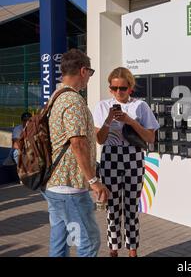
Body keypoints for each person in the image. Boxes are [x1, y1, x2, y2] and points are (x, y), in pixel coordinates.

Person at [42, 48, 109, 257]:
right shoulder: (73, 100)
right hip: (70, 188)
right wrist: (93, 181)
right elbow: (77, 143)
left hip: (54, 185)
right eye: (90, 73)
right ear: (83, 70)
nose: (90, 78)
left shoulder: (56, 95)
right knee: (88, 243)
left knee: (60, 242)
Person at [93, 67, 159, 257]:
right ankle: (113, 250)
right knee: (112, 207)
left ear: (130, 87)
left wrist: (131, 121)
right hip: (110, 157)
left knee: (131, 207)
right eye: (114, 88)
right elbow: (100, 140)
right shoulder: (103, 106)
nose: (118, 92)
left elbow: (151, 138)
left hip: (134, 157)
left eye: (122, 88)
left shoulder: (141, 106)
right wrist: (108, 120)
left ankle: (132, 250)